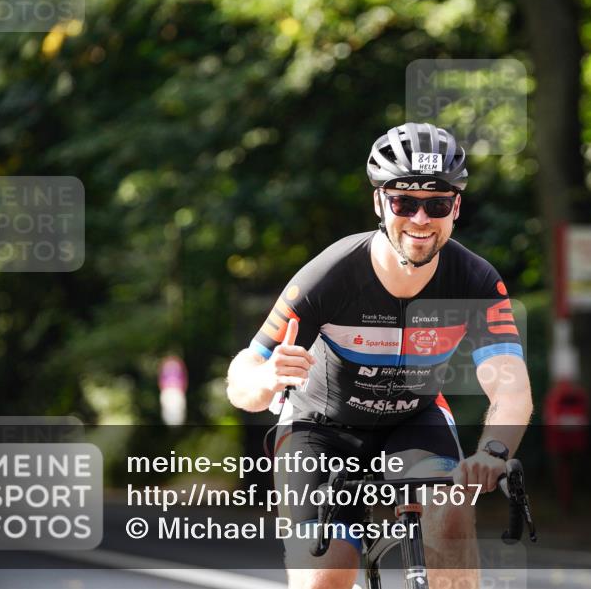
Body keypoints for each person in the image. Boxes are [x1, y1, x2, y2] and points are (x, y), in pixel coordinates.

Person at [227, 122, 533, 589]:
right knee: (325, 575)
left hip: (414, 419)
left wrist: (492, 452)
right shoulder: (330, 275)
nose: (420, 219)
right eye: (404, 202)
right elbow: (241, 380)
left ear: (456, 208)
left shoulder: (475, 281)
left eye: (437, 204)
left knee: (451, 516)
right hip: (319, 427)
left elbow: (512, 388)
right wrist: (267, 378)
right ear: (379, 203)